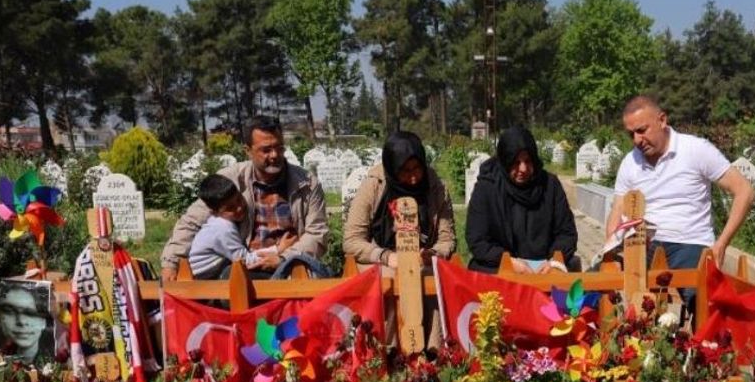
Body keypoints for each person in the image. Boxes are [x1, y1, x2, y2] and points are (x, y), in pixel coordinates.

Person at [606, 93, 755, 319]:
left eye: (642, 130)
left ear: (662, 120)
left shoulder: (696, 150)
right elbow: (617, 209)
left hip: (689, 240)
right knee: (596, 283)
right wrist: (610, 251)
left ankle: (705, 349)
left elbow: (744, 190)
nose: (637, 140)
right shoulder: (630, 162)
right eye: (631, 134)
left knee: (701, 300)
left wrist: (721, 244)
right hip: (644, 242)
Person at [162, 115, 329, 280]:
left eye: (279, 148)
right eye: (266, 149)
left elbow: (317, 233)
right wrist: (171, 263)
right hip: (246, 267)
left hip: (293, 267)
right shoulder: (231, 180)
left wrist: (284, 258)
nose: (274, 155)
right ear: (248, 151)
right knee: (232, 277)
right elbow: (191, 222)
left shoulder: (306, 184)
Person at [466, 126, 578, 274]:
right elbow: (477, 240)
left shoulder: (550, 185)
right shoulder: (487, 188)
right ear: (505, 161)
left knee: (567, 267)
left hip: (545, 266)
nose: (523, 169)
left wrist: (554, 261)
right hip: (502, 264)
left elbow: (566, 233)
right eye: (516, 162)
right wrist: (509, 262)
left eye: (528, 161)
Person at [343, 130, 456, 269]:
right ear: (392, 169)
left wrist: (433, 254)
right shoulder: (373, 186)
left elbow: (446, 240)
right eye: (405, 171)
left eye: (417, 168)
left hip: (423, 263)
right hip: (379, 262)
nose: (413, 178)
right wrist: (386, 256)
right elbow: (352, 241)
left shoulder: (435, 188)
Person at [188, 174, 297, 280]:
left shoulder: (217, 222)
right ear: (215, 212)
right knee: (236, 273)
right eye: (230, 208)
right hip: (207, 276)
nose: (239, 208)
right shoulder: (223, 229)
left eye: (239, 200)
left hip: (211, 270)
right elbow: (244, 260)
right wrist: (278, 249)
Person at [0, 280, 54, 363]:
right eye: (10, 312)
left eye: (30, 313)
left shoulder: (58, 359)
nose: (21, 321)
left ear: (43, 320)